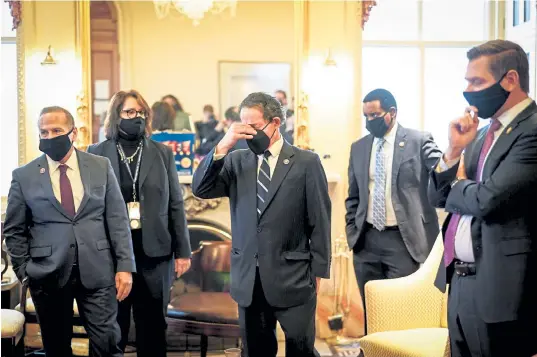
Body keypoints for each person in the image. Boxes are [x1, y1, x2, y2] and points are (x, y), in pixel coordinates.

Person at [192, 92, 331, 357]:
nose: (247, 133)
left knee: (301, 350)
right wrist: (223, 145)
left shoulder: (306, 163)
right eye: (242, 126)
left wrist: (319, 272)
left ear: (275, 123)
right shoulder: (236, 161)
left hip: (294, 278)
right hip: (249, 280)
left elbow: (320, 221)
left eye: (253, 127)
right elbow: (200, 188)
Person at [428, 40, 537, 357]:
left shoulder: (531, 130)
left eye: (477, 82)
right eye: (467, 81)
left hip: (502, 291)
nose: (468, 90)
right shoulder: (482, 133)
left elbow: (488, 200)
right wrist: (454, 150)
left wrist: (457, 187)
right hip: (460, 283)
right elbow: (437, 194)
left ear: (510, 80)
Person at [3, 106, 135, 357]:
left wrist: (125, 266)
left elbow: (117, 220)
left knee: (107, 342)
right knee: (56, 347)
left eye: (57, 130)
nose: (50, 137)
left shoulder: (100, 166)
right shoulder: (24, 175)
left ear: (73, 133)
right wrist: (25, 272)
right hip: (47, 274)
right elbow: (14, 230)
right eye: (44, 132)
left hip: (97, 271)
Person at [87, 90, 192, 357]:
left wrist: (183, 251)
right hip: (112, 253)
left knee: (154, 325)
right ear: (116, 115)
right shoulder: (96, 154)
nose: (136, 117)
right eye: (129, 112)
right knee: (114, 325)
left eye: (140, 112)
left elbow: (175, 204)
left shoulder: (162, 153)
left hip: (155, 252)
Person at [345, 88, 442, 329]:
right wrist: (351, 230)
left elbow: (442, 171)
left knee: (399, 313)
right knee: (372, 314)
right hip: (366, 241)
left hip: (402, 241)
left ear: (392, 113)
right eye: (366, 116)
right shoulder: (359, 147)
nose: (369, 121)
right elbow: (353, 196)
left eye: (375, 115)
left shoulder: (419, 141)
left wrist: (453, 154)